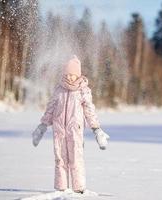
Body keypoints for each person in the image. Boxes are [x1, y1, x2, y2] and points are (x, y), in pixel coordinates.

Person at [32, 55, 110, 194]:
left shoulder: (83, 90)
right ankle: (61, 188)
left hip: (75, 129)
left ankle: (79, 188)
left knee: (75, 158)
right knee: (60, 159)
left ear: (78, 75)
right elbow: (51, 108)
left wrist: (96, 128)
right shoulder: (59, 89)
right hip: (59, 129)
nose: (69, 77)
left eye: (73, 74)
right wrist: (43, 125)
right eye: (67, 74)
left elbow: (89, 110)